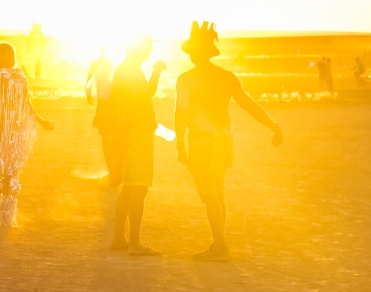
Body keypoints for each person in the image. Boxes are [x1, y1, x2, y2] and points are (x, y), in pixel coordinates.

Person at [175, 21, 283, 261]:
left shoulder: (186, 79)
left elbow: (180, 113)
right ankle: (219, 243)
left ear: (193, 53)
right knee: (218, 191)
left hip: (202, 142)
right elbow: (249, 106)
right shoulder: (227, 77)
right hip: (224, 141)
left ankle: (220, 246)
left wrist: (180, 146)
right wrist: (273, 126)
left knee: (209, 194)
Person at [0, 43, 54, 227]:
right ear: (12, 57)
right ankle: (6, 210)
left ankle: (2, 205)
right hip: (14, 132)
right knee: (10, 170)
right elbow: (27, 107)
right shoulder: (20, 79)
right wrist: (41, 121)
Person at [109, 34, 166, 256]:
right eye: (149, 47)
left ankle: (119, 239)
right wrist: (157, 72)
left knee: (129, 187)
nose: (151, 50)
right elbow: (141, 99)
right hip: (137, 133)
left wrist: (155, 72)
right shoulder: (131, 71)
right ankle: (134, 244)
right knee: (139, 188)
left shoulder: (125, 69)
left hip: (128, 133)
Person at [86, 47, 120, 186]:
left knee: (108, 142)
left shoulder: (108, 64)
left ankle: (114, 172)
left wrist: (88, 94)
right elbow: (89, 81)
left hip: (108, 107)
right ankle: (114, 172)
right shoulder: (115, 64)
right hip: (112, 107)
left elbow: (88, 82)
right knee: (111, 141)